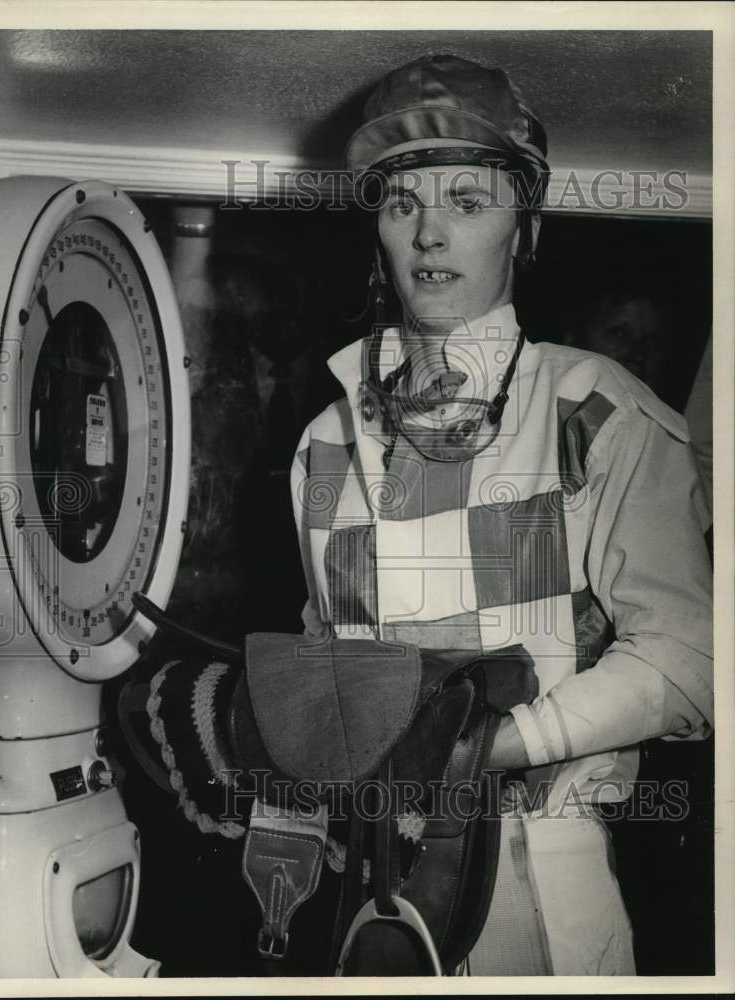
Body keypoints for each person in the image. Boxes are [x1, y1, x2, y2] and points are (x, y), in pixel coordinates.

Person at [290, 53, 713, 975]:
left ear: (522, 228)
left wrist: (485, 747)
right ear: (378, 233)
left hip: (543, 882)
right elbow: (323, 649)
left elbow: (693, 660)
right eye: (402, 204)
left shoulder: (592, 407)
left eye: (467, 203)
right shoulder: (323, 440)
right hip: (364, 878)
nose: (429, 233)